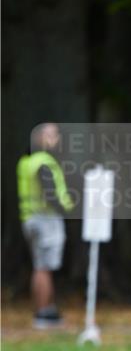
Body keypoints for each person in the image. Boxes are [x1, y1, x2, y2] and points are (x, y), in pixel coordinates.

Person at [17, 122, 75, 328]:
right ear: (39, 138)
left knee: (39, 266)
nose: (56, 140)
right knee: (44, 268)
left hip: (29, 218)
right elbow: (51, 193)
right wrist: (68, 209)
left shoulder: (26, 161)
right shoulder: (43, 161)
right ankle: (43, 312)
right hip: (45, 220)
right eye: (52, 135)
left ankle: (45, 310)